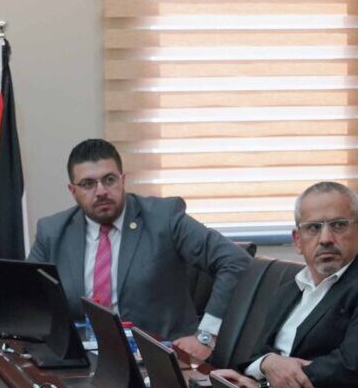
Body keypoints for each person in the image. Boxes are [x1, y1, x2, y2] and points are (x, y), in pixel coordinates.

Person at [210, 182, 358, 388]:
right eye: (313, 228)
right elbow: (259, 354)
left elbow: (353, 368)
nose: (326, 238)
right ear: (298, 240)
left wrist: (267, 382)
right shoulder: (289, 289)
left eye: (338, 225)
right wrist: (267, 364)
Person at [27, 138, 250, 360]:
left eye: (109, 180)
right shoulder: (53, 231)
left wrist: (206, 335)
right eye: (88, 184)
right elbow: (28, 297)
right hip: (83, 359)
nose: (101, 191)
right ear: (72, 190)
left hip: (160, 357)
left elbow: (235, 261)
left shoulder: (164, 218)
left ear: (123, 180)